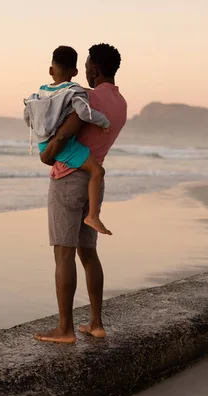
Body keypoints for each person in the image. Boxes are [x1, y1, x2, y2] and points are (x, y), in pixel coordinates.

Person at [35, 43, 128, 344]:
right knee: (88, 253)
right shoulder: (122, 103)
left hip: (69, 179)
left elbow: (66, 132)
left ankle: (65, 330)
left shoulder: (88, 97)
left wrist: (48, 153)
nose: (85, 70)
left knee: (63, 253)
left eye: (87, 65)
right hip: (94, 181)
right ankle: (96, 324)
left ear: (95, 70)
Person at [24, 46, 112, 235]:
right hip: (64, 145)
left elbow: (28, 116)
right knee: (97, 170)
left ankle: (93, 216)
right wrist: (104, 122)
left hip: (44, 142)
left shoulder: (41, 92)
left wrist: (42, 132)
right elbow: (84, 113)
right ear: (75, 72)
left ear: (50, 70)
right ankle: (93, 216)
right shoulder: (74, 91)